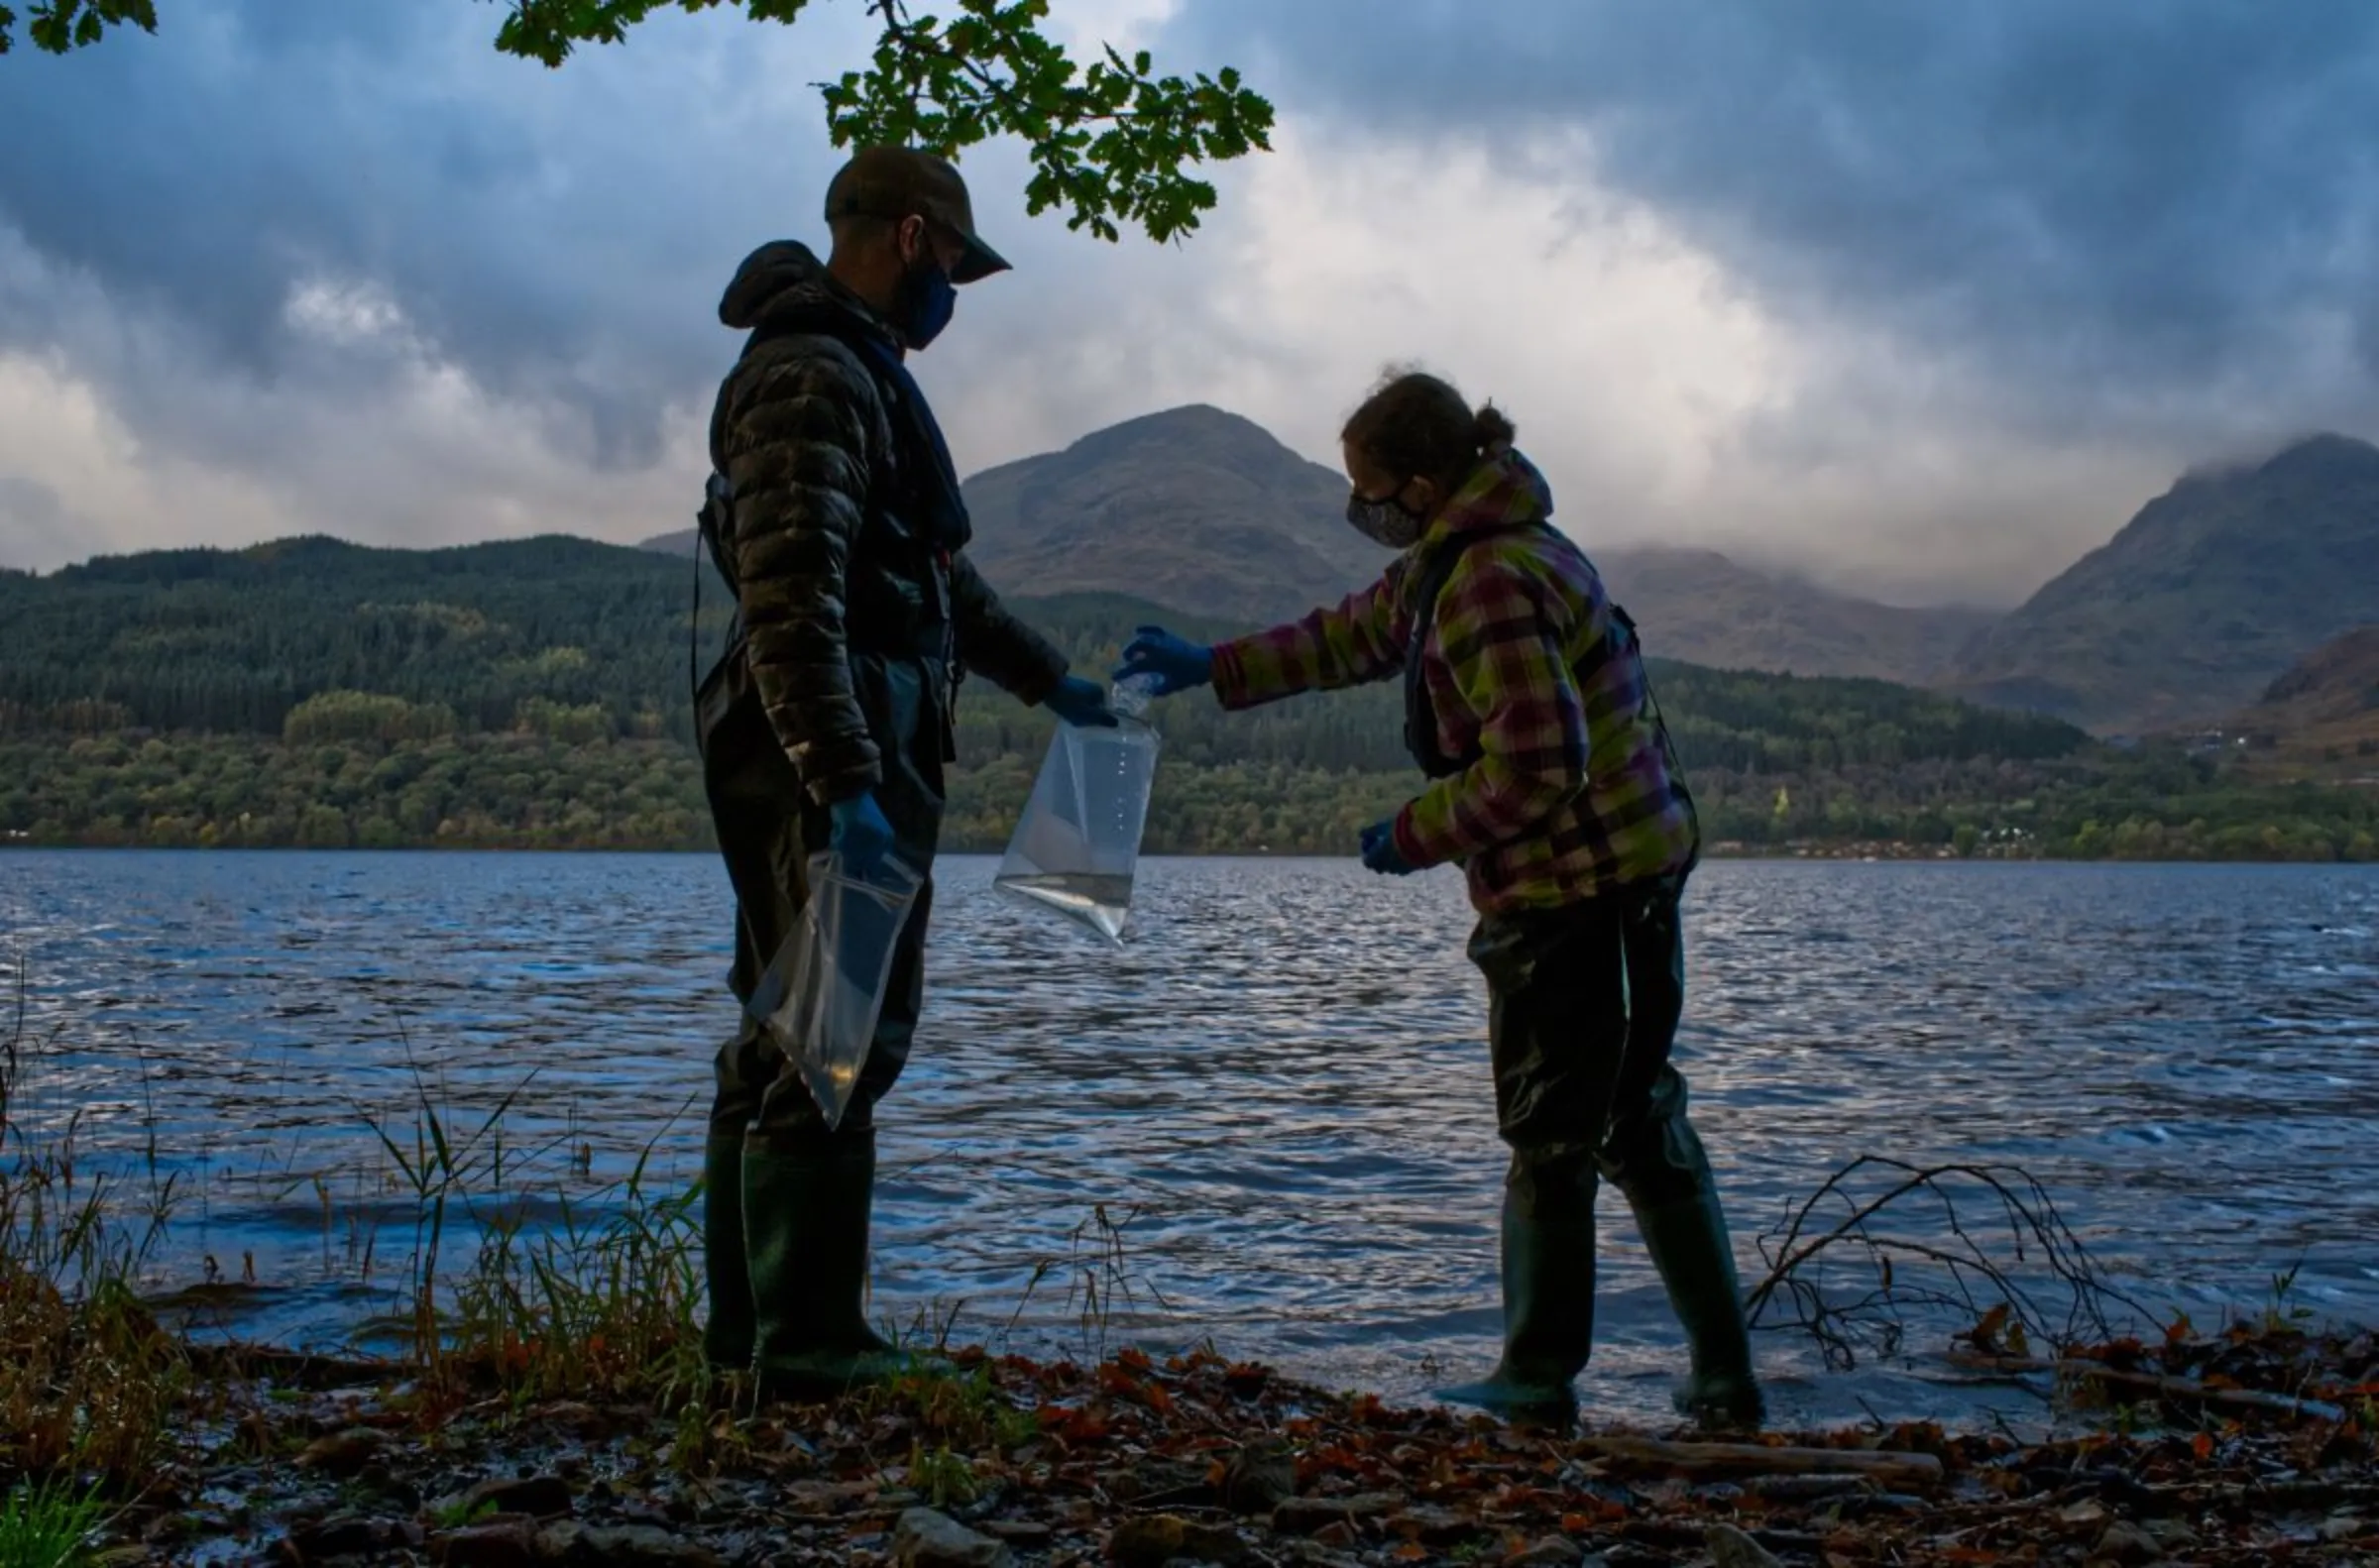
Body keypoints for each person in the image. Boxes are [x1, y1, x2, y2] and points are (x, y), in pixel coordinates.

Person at [1113, 371, 1763, 1428]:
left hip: (1579, 894)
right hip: (1625, 879)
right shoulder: (1464, 558)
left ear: (1417, 485)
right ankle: (1724, 1380)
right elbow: (1349, 636)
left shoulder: (1488, 581)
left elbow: (1539, 764)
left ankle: (1537, 1374)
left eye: (1367, 488)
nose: (1359, 507)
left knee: (1556, 1135)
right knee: (1639, 1122)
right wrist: (1213, 666)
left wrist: (1412, 834)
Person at [692, 146, 1115, 1399]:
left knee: (795, 1033)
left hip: (843, 740)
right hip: (828, 750)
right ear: (919, 238)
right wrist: (847, 781)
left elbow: (933, 585)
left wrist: (1055, 684)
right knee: (825, 1039)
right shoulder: (815, 373)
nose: (955, 304)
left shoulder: (848, 371)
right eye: (957, 271)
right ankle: (810, 1348)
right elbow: (789, 603)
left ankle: (752, 1342)